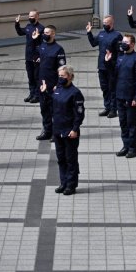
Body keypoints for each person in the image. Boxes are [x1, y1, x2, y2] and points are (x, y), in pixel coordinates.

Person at [40, 65, 85, 196]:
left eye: (63, 76)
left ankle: (71, 185)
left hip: (69, 131)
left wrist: (75, 129)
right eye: (59, 76)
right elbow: (52, 103)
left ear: (70, 77)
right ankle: (63, 182)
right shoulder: (57, 89)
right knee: (61, 159)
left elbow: (79, 114)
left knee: (70, 159)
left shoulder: (75, 93)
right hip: (57, 130)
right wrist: (45, 92)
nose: (60, 78)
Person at [107, 34, 136, 158]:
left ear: (132, 44)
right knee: (123, 123)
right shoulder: (120, 57)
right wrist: (108, 63)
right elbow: (114, 74)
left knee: (132, 124)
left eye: (126, 42)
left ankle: (133, 149)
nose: (123, 44)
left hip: (131, 97)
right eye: (123, 41)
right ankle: (126, 146)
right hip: (120, 95)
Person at [34, 25, 67, 141]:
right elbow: (35, 59)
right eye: (44, 32)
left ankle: (56, 132)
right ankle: (47, 131)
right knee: (44, 110)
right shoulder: (42, 46)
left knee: (55, 111)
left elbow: (62, 69)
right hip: (42, 85)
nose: (45, 34)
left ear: (53, 34)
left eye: (47, 33)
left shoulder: (58, 49)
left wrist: (58, 85)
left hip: (53, 85)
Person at [87, 15, 122, 118]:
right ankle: (107, 107)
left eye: (106, 23)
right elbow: (93, 43)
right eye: (104, 23)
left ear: (111, 24)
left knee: (112, 89)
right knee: (104, 88)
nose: (104, 25)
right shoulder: (101, 34)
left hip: (111, 67)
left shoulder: (117, 36)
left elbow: (120, 53)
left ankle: (113, 109)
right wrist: (89, 32)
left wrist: (117, 65)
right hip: (101, 66)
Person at [15, 10, 44, 103]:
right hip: (28, 56)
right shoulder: (28, 27)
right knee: (30, 77)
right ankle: (31, 94)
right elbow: (20, 32)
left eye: (32, 16)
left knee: (36, 77)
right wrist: (17, 24)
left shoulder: (41, 28)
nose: (30, 18)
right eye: (29, 16)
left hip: (37, 56)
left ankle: (37, 95)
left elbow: (43, 44)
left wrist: (40, 55)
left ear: (37, 17)